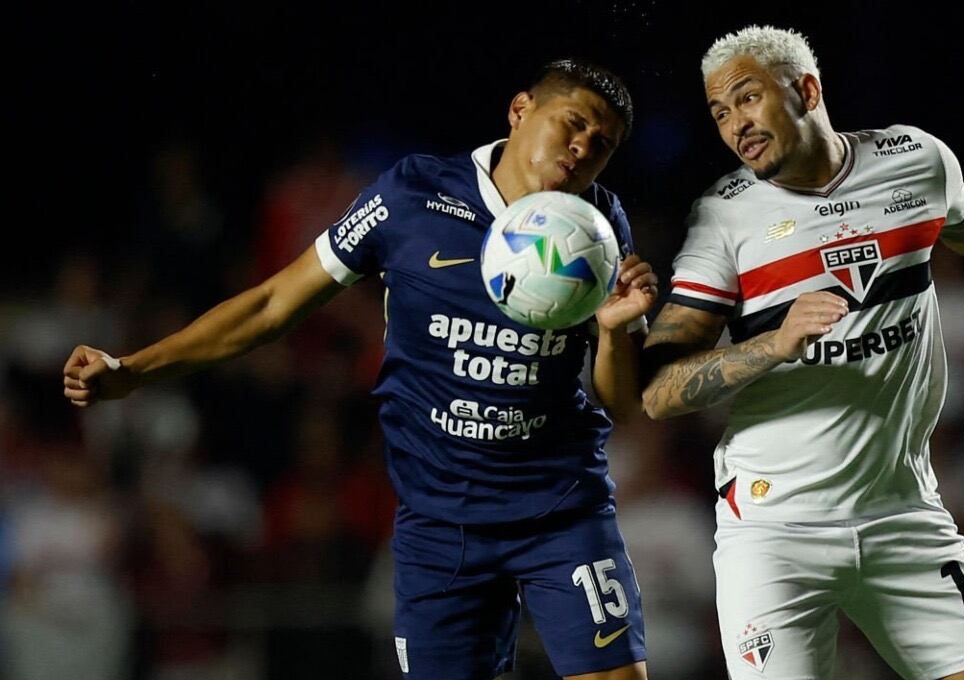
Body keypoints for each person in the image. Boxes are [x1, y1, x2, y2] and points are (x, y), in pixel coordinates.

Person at [62, 59, 658, 680]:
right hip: (439, 520)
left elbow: (622, 403)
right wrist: (134, 370)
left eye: (603, 144)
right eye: (574, 124)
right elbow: (273, 304)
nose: (583, 147)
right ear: (520, 109)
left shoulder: (600, 224)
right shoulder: (410, 196)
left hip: (558, 509)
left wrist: (618, 332)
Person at [641, 25, 964, 680]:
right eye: (719, 112)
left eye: (746, 98)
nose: (735, 124)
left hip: (902, 512)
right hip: (775, 531)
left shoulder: (913, 159)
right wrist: (772, 343)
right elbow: (658, 390)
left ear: (806, 89)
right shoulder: (724, 219)